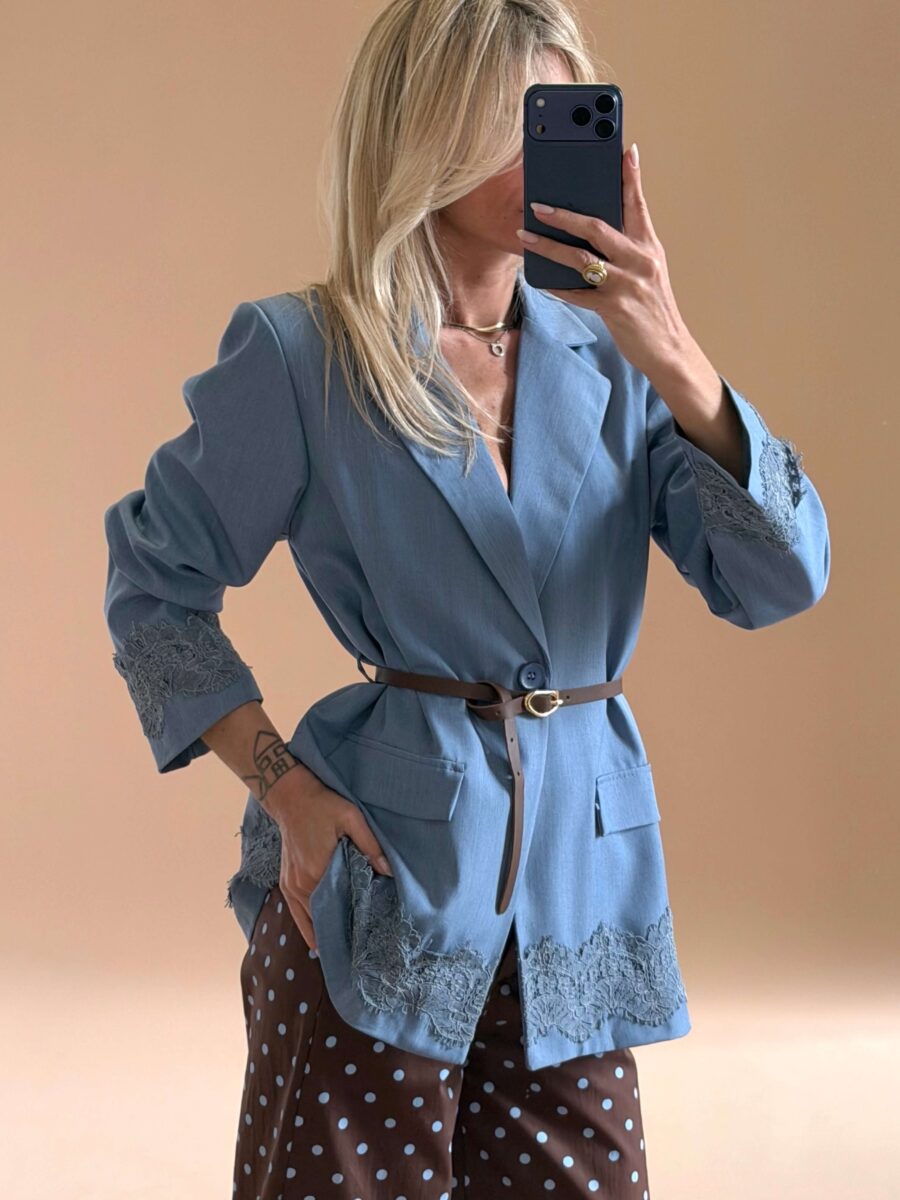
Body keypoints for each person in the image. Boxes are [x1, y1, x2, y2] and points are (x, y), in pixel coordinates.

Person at [101, 1, 831, 1197]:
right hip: (381, 891)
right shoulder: (304, 354)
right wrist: (283, 787)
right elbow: (153, 586)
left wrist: (676, 351)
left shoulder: (620, 365)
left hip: (582, 893)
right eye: (512, 122)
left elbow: (781, 580)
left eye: (562, 119)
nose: (546, 154)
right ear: (426, 131)